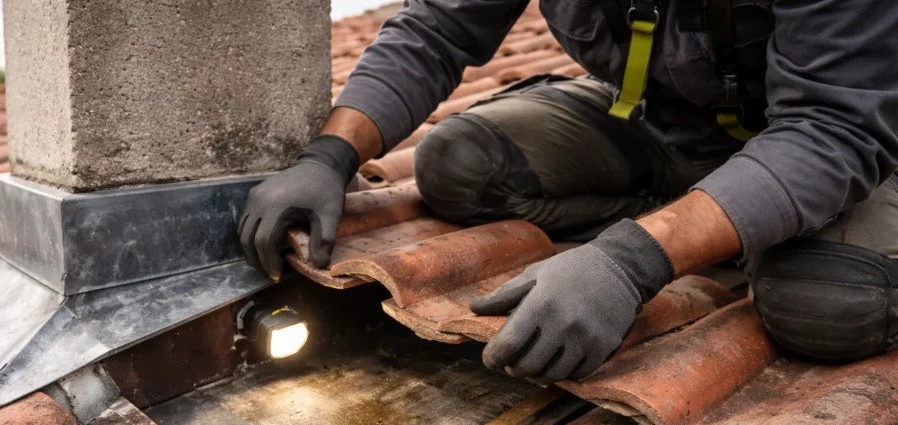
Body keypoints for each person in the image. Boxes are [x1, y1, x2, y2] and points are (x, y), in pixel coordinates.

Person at [238, 0, 898, 384]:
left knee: (826, 302)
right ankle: (714, 213)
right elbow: (436, 28)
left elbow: (831, 125)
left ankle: (721, 221)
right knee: (458, 164)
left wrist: (633, 260)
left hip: (838, 133)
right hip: (672, 126)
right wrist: (330, 154)